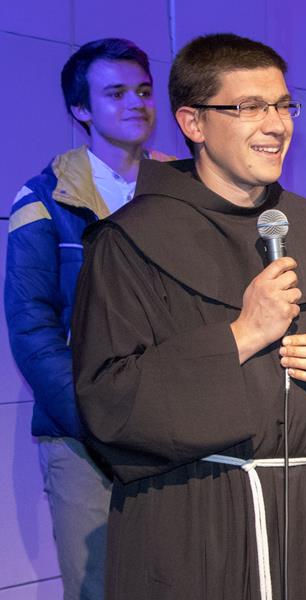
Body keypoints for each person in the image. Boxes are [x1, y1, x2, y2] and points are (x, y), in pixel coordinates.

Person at [70, 34, 306, 600]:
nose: (277, 125)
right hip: (194, 519)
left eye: (283, 105)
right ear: (193, 122)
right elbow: (107, 400)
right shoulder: (130, 241)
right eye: (250, 107)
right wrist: (239, 336)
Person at [4, 37, 170, 600]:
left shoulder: (180, 191)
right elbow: (31, 324)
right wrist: (92, 415)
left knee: (179, 580)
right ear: (81, 109)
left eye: (143, 91)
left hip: (172, 425)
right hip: (82, 435)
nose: (136, 104)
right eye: (116, 93)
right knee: (97, 587)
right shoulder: (43, 198)